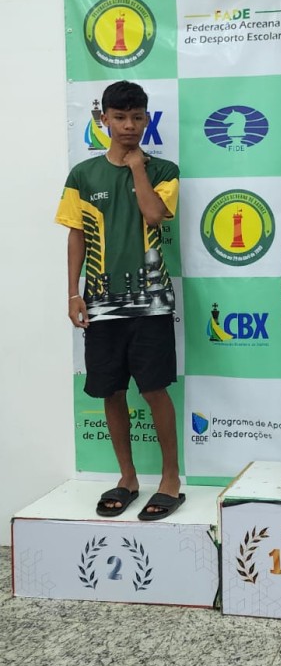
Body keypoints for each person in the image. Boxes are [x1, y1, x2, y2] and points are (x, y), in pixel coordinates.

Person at [55, 80, 184, 521]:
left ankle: (170, 478)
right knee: (111, 389)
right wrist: (74, 292)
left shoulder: (164, 171)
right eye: (120, 117)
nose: (129, 126)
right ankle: (127, 476)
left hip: (151, 303)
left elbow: (153, 214)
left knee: (153, 388)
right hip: (101, 304)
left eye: (137, 117)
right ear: (103, 119)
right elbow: (76, 237)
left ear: (147, 119)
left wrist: (137, 168)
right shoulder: (82, 175)